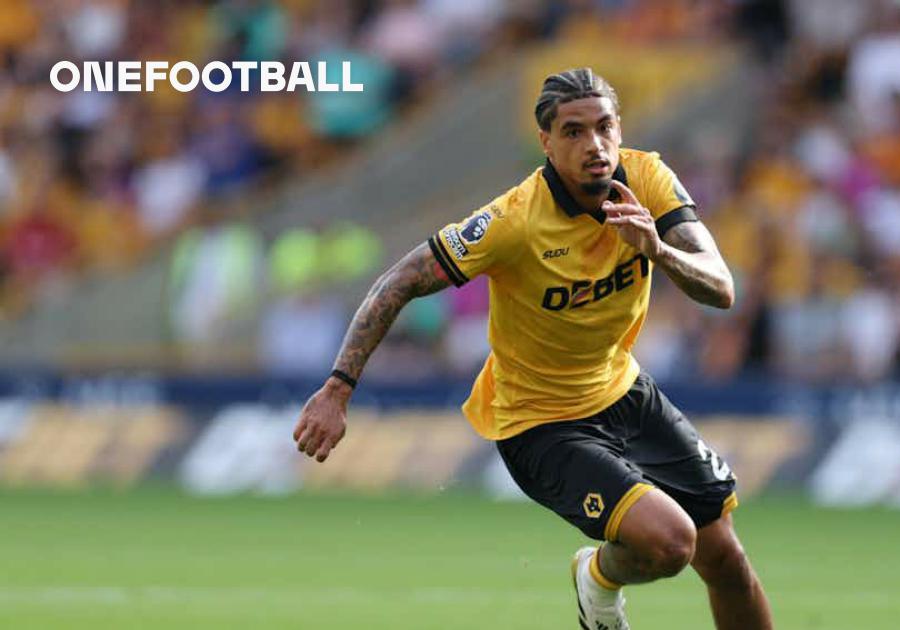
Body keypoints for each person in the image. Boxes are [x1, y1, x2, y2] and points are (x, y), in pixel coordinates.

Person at [292, 68, 774, 630]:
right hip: (540, 423)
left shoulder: (647, 179)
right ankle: (598, 577)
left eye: (604, 127)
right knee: (671, 543)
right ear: (546, 141)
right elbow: (398, 281)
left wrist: (658, 250)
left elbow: (721, 288)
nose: (594, 145)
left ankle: (601, 577)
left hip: (623, 391)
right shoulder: (513, 221)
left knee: (726, 558)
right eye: (573, 132)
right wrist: (338, 388)